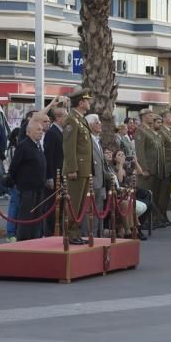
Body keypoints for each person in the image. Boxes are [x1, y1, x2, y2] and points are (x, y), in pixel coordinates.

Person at [62, 87, 93, 245]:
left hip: (85, 169)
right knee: (74, 202)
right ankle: (70, 233)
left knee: (80, 203)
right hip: (77, 169)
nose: (89, 103)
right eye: (87, 100)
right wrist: (71, 168)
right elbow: (69, 147)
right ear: (81, 103)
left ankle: (75, 232)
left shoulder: (81, 119)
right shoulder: (71, 120)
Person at [9, 120, 47, 241]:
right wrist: (17, 182)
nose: (41, 132)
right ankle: (24, 240)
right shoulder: (23, 146)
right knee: (26, 217)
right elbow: (14, 167)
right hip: (27, 189)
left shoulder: (38, 146)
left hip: (38, 188)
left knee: (37, 217)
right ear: (29, 132)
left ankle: (35, 239)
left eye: (42, 130)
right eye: (38, 130)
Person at [134, 108, 164, 227]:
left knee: (153, 196)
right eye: (150, 115)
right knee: (145, 196)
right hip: (148, 170)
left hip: (155, 169)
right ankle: (144, 221)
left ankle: (153, 220)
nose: (153, 117)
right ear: (144, 117)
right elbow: (140, 152)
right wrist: (144, 168)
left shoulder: (150, 131)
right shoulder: (140, 131)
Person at [43, 106, 67, 236]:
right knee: (52, 206)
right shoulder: (52, 133)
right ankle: (51, 232)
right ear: (58, 117)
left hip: (62, 175)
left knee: (61, 205)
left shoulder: (61, 132)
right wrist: (50, 177)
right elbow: (49, 156)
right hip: (55, 175)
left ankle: (58, 230)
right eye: (65, 116)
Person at [157, 111, 171, 226]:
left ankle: (163, 215)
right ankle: (159, 216)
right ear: (164, 118)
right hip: (166, 166)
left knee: (167, 193)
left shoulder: (169, 131)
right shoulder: (162, 131)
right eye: (170, 116)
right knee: (163, 193)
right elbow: (162, 150)